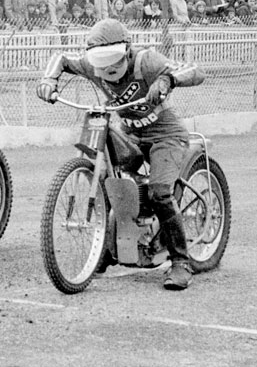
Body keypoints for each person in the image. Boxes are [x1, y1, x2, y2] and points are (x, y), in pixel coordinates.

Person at [36, 19, 206, 290]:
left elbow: (195, 71)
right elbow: (62, 58)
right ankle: (104, 247)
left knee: (160, 191)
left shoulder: (146, 61)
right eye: (100, 63)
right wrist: (49, 78)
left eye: (113, 61)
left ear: (127, 51)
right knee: (105, 177)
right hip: (129, 132)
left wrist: (166, 79)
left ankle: (181, 261)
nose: (107, 69)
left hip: (165, 134)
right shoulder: (93, 65)